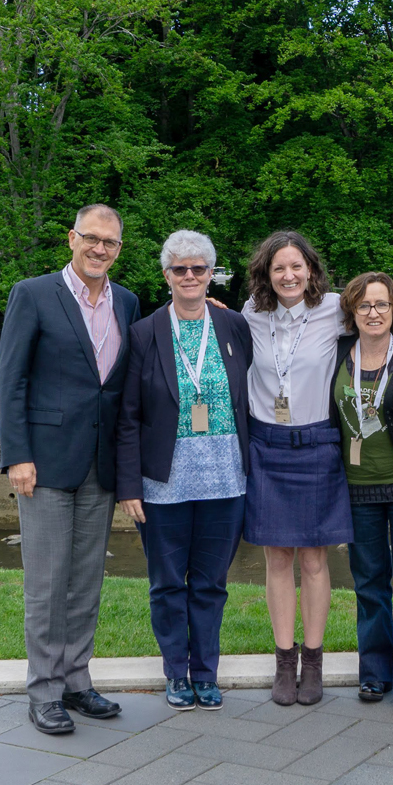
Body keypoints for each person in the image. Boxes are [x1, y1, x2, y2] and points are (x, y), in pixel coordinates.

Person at [0, 203, 141, 734]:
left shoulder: (126, 302)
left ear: (119, 249)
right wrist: (17, 455)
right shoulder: (33, 294)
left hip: (100, 464)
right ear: (72, 239)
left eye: (110, 242)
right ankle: (44, 690)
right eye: (91, 238)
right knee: (47, 582)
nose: (100, 248)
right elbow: (10, 381)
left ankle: (77, 680)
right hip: (45, 464)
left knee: (86, 580)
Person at [115, 230, 253, 712]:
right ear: (166, 275)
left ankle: (206, 673)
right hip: (162, 484)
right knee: (168, 583)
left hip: (226, 480)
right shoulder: (144, 333)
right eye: (180, 269)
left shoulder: (233, 326)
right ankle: (176, 672)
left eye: (199, 268)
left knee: (212, 584)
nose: (190, 276)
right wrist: (129, 484)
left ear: (211, 273)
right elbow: (128, 415)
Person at [242, 230, 351, 706]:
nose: (288, 275)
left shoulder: (335, 311)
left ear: (311, 269)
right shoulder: (249, 314)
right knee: (278, 558)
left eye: (296, 266)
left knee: (313, 558)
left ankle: (313, 661)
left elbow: (379, 324)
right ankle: (284, 661)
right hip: (267, 446)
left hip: (317, 446)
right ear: (267, 273)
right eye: (278, 268)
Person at [330, 272, 393, 717]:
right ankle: (375, 670)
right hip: (356, 487)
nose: (374, 313)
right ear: (352, 313)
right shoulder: (336, 352)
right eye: (364, 306)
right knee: (370, 582)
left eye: (382, 305)